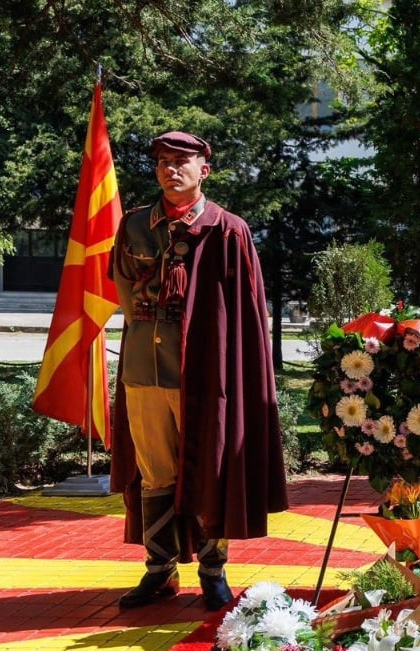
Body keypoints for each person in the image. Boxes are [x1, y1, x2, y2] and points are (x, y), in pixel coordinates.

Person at [109, 131, 288, 611]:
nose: (171, 170)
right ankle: (159, 570)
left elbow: (246, 310)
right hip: (146, 371)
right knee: (155, 475)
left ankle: (213, 571)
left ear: (203, 170)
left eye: (181, 162)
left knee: (212, 468)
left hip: (207, 377)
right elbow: (124, 287)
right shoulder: (133, 226)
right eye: (163, 162)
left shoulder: (227, 230)